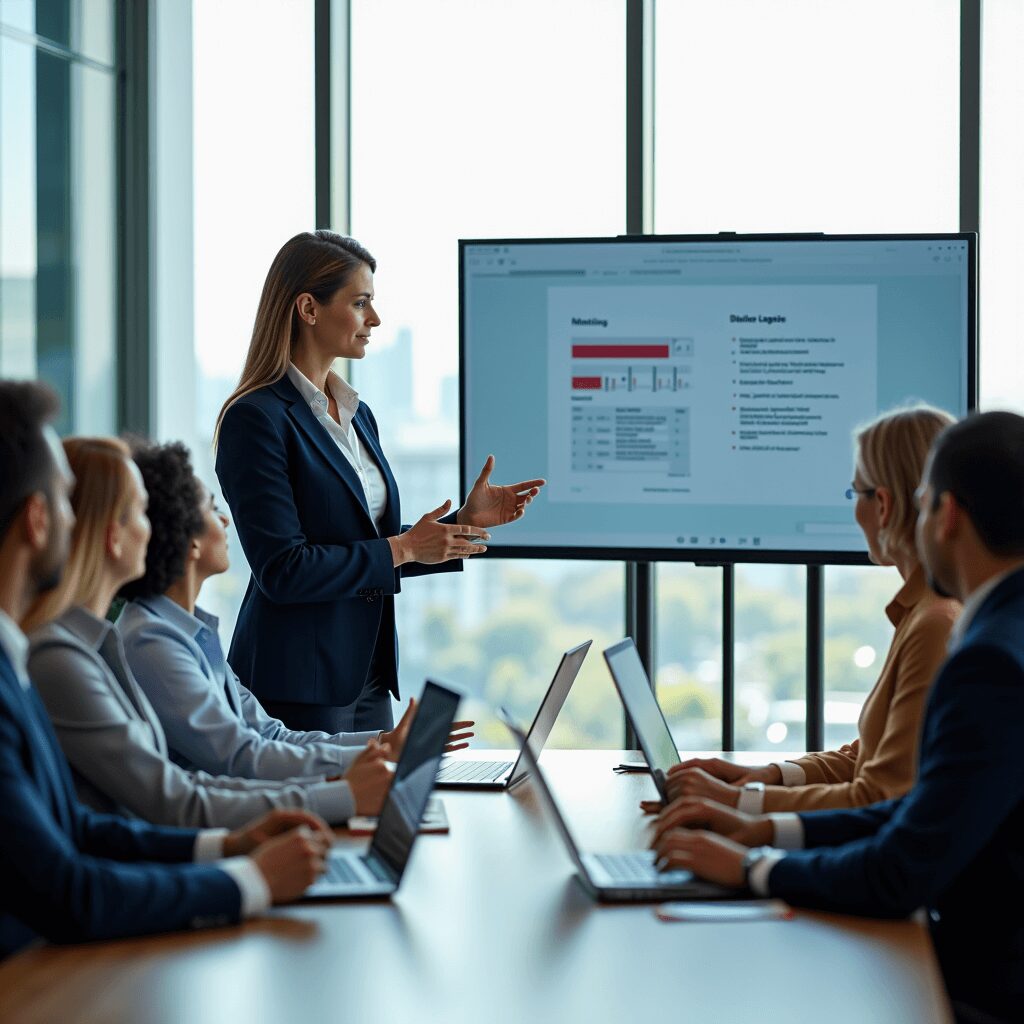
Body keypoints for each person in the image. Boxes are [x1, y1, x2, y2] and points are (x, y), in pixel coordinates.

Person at [651, 411, 1024, 1024]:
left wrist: (752, 867)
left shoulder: (988, 659)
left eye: (924, 503)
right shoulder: (1002, 631)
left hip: (990, 988)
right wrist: (764, 831)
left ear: (947, 514)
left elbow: (901, 867)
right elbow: (917, 807)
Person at [0, 381, 331, 957]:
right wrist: (250, 878)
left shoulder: (22, 661)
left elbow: (77, 830)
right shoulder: (49, 659)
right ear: (36, 519)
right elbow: (69, 889)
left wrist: (227, 846)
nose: (73, 520)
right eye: (62, 500)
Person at [214, 230, 545, 733]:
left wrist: (462, 525)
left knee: (380, 809)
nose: (375, 319)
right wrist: (404, 548)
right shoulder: (256, 418)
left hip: (367, 676)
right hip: (298, 683)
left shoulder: (357, 414)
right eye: (361, 302)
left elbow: (375, 547)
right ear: (308, 308)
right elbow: (282, 570)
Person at [24, 436, 395, 829]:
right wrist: (341, 794)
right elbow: (221, 768)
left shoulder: (178, 634)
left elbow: (260, 738)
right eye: (139, 514)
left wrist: (376, 751)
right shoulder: (134, 644)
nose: (152, 531)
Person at [649, 406, 959, 815]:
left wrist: (736, 803)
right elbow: (866, 757)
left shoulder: (933, 623)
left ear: (882, 504)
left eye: (856, 493)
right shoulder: (920, 611)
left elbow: (880, 795)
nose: (855, 509)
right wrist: (764, 775)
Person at [117, 439, 472, 779]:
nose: (226, 521)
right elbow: (243, 757)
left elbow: (273, 736)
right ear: (188, 539)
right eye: (212, 507)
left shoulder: (193, 634)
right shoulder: (152, 642)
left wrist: (384, 744)